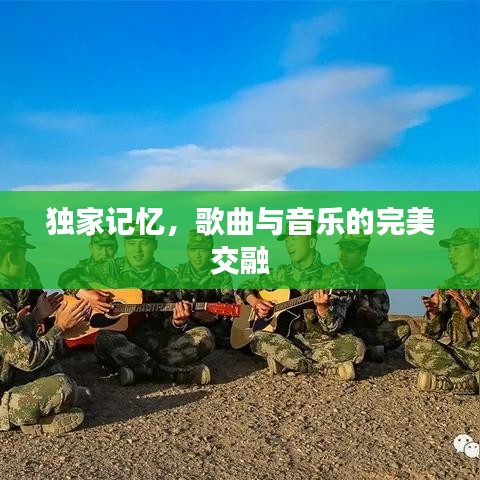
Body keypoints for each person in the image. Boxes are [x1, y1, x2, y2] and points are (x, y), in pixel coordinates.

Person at [0, 217, 91, 434]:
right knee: (63, 386)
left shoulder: (18, 280)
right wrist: (60, 327)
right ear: (11, 256)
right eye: (23, 253)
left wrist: (37, 316)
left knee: (52, 369)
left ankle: (37, 412)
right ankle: (12, 412)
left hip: (7, 370)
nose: (26, 259)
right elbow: (28, 358)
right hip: (15, 366)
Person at [93, 226, 215, 386]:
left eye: (144, 243)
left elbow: (167, 320)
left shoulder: (167, 276)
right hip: (124, 340)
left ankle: (137, 369)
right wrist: (84, 293)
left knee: (205, 336)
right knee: (104, 339)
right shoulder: (109, 268)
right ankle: (173, 374)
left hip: (158, 343)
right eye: (131, 244)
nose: (137, 250)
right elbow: (68, 277)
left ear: (154, 245)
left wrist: (177, 322)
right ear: (124, 245)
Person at [405, 228, 479, 394]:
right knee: (413, 344)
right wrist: (434, 314)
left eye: (457, 249)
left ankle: (448, 380)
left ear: (476, 253)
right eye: (450, 250)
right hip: (461, 355)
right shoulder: (448, 286)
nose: (451, 255)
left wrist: (472, 315)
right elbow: (430, 335)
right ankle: (464, 379)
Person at [320, 233, 409, 362]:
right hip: (338, 331)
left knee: (402, 329)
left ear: (363, 253)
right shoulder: (326, 273)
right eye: (341, 248)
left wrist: (368, 311)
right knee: (351, 343)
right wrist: (323, 308)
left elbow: (381, 315)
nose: (343, 254)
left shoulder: (374, 279)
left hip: (363, 330)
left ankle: (364, 349)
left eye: (350, 250)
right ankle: (365, 351)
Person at [174, 229, 236, 348]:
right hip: (185, 325)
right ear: (187, 251)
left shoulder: (222, 274)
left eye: (203, 250)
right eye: (193, 250)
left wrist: (214, 315)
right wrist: (194, 314)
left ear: (211, 252)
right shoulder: (176, 273)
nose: (197, 255)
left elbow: (228, 302)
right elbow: (169, 304)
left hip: (216, 325)